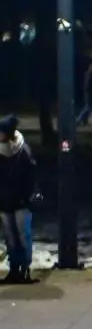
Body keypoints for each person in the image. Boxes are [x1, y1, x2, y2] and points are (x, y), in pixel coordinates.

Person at [0, 115, 40, 284]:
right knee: (11, 237)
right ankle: (14, 268)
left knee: (23, 235)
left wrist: (29, 195)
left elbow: (31, 176)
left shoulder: (23, 150)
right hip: (4, 200)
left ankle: (24, 269)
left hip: (21, 201)